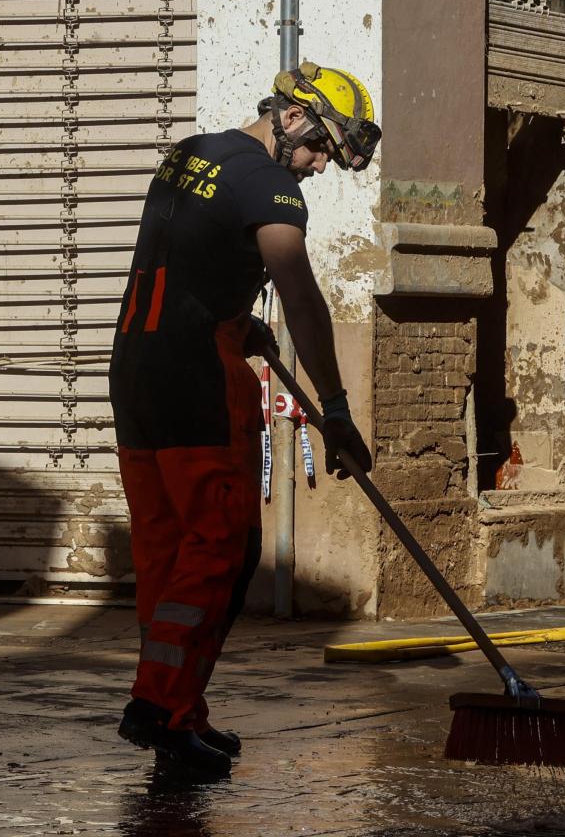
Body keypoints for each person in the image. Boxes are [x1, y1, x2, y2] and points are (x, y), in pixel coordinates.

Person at [108, 61, 381, 780]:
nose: (320, 165)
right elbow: (301, 294)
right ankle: (157, 706)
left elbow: (191, 262)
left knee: (166, 554)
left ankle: (180, 714)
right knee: (224, 547)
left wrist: (237, 324)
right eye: (321, 146)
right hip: (194, 382)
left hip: (136, 373)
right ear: (291, 117)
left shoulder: (189, 154)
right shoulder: (272, 185)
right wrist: (339, 410)